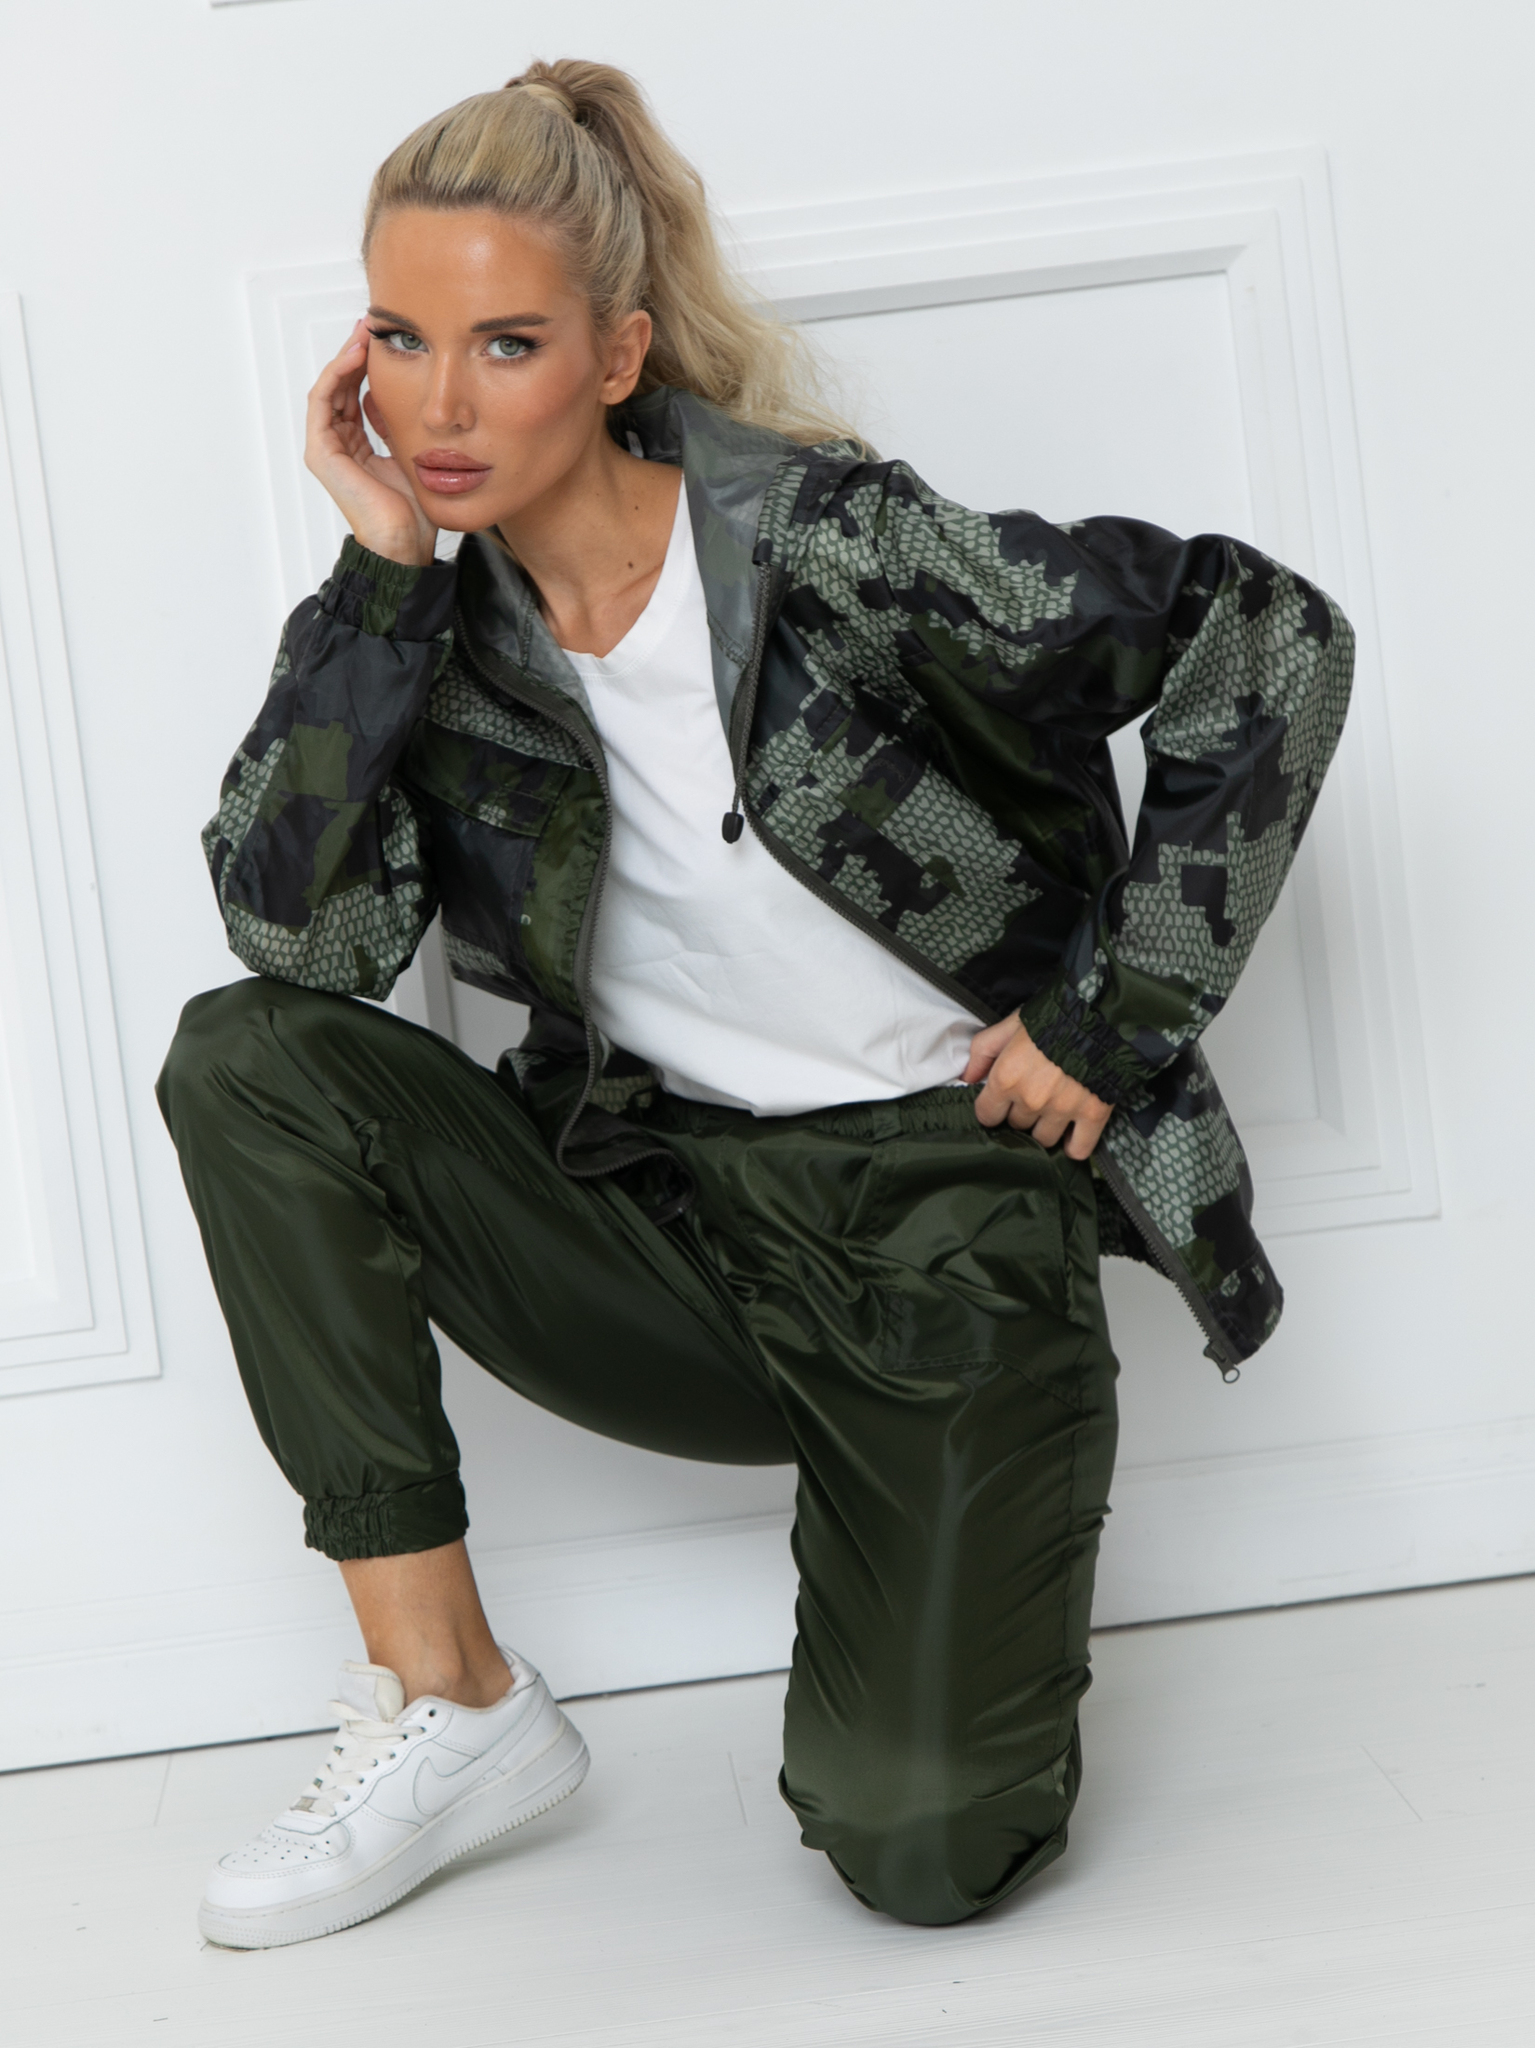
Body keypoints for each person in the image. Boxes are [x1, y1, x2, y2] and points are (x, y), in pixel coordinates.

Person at [157, 58, 1353, 1949]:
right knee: (248, 1061)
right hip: (670, 1227)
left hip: (944, 1229)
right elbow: (299, 953)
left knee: (920, 1847)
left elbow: (1265, 641)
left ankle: (929, 1541)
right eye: (399, 337)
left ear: (617, 355)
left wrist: (1113, 1018)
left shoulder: (833, 550)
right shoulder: (434, 645)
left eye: (506, 343)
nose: (438, 406)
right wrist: (382, 578)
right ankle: (450, 1698)